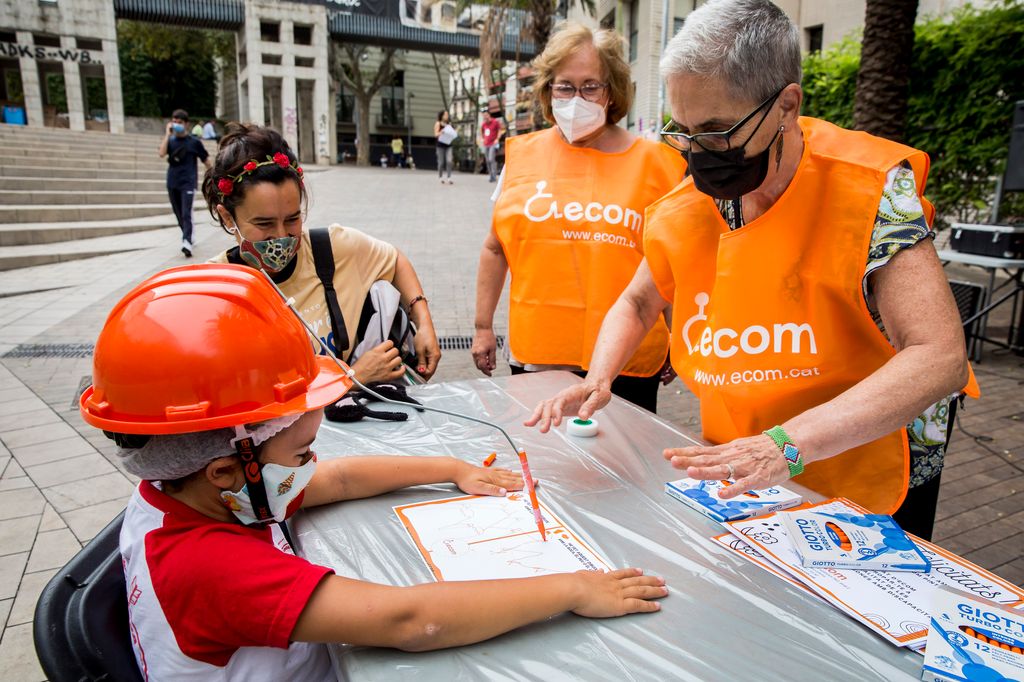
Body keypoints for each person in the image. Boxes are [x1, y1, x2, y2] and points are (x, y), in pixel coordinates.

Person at [80, 264, 667, 681]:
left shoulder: (189, 492)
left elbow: (335, 481)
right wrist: (574, 588)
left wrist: (450, 468)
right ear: (225, 469)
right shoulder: (208, 564)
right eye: (302, 449)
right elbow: (411, 620)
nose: (312, 463)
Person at [527, 0, 978, 539]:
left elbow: (939, 356)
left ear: (787, 106)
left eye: (718, 131)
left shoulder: (869, 190)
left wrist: (787, 444)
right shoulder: (691, 202)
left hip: (868, 446)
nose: (699, 155)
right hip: (752, 446)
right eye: (684, 131)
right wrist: (598, 380)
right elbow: (638, 300)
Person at [472, 24, 686, 414]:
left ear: (613, 90)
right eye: (565, 86)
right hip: (540, 353)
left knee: (623, 465)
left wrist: (677, 336)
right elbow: (495, 246)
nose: (576, 97)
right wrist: (483, 327)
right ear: (548, 89)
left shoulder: (657, 165)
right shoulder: (523, 157)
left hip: (628, 359)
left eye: (591, 86)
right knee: (545, 458)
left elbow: (668, 265)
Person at [203, 123, 443, 383]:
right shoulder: (215, 290)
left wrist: (424, 323)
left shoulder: (332, 248)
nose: (282, 236)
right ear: (228, 218)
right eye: (264, 224)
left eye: (293, 219)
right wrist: (350, 380)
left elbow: (394, 260)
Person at [158, 108, 211, 258]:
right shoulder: (171, 140)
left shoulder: (194, 142)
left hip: (187, 183)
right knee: (178, 213)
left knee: (186, 212)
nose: (176, 125)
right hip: (172, 182)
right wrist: (167, 135)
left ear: (186, 124)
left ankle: (186, 241)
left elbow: (206, 160)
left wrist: (214, 175)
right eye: (174, 122)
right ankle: (188, 234)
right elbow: (161, 153)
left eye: (179, 122)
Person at [478, 110, 504, 182]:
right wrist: (482, 139)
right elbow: (481, 132)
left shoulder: (495, 122)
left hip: (493, 143)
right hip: (486, 144)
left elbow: (499, 131)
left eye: (486, 115)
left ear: (489, 115)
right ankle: (491, 176)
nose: (485, 117)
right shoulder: (483, 124)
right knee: (487, 161)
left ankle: (494, 175)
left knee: (491, 159)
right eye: (483, 116)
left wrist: (497, 139)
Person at [434, 110, 454, 184]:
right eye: (445, 115)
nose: (447, 116)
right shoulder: (438, 123)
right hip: (440, 145)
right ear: (441, 116)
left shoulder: (449, 124)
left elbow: (452, 133)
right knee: (441, 162)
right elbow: (435, 134)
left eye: (447, 115)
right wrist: (441, 132)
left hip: (448, 145)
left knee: (449, 161)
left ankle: (449, 177)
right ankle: (440, 177)